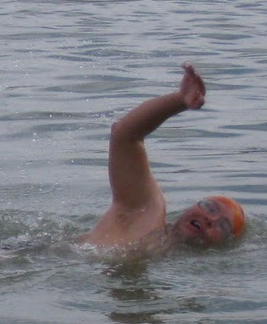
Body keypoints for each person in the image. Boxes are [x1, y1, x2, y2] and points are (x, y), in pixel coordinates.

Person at [79, 63, 245, 251]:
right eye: (210, 208)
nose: (210, 218)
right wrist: (180, 100)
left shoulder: (173, 262)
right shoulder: (145, 211)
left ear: (224, 245)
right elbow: (124, 135)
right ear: (190, 209)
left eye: (222, 226)